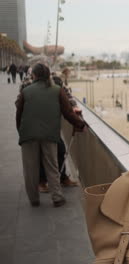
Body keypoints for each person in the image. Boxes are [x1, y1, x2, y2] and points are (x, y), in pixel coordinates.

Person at [15, 63, 86, 207]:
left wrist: (21, 132)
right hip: (49, 134)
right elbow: (68, 113)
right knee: (52, 166)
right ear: (48, 75)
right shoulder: (57, 90)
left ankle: (34, 200)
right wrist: (80, 124)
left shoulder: (26, 91)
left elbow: (19, 114)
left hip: (28, 135)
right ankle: (57, 198)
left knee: (30, 169)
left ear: (33, 75)